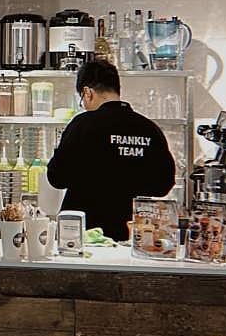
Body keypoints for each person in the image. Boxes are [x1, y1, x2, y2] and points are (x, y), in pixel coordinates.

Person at [46, 60, 176, 241]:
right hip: (132, 235)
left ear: (87, 92)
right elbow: (163, 185)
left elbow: (57, 177)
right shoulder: (149, 128)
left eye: (82, 100)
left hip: (82, 235)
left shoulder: (82, 125)